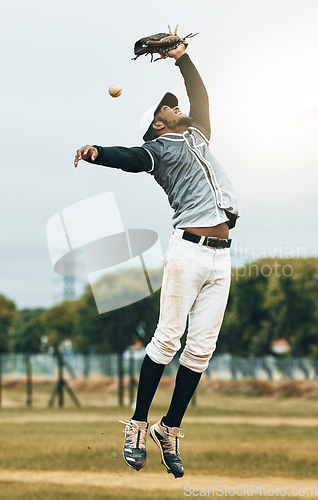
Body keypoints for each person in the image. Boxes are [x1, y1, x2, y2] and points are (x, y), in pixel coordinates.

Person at [74, 43, 240, 479]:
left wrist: (182, 57)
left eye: (175, 106)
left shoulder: (198, 134)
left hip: (221, 260)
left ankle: (169, 428)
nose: (177, 108)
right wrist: (98, 151)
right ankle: (137, 424)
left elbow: (200, 95)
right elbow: (131, 159)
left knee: (201, 350)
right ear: (157, 123)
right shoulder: (159, 150)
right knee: (167, 340)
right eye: (168, 109)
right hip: (186, 252)